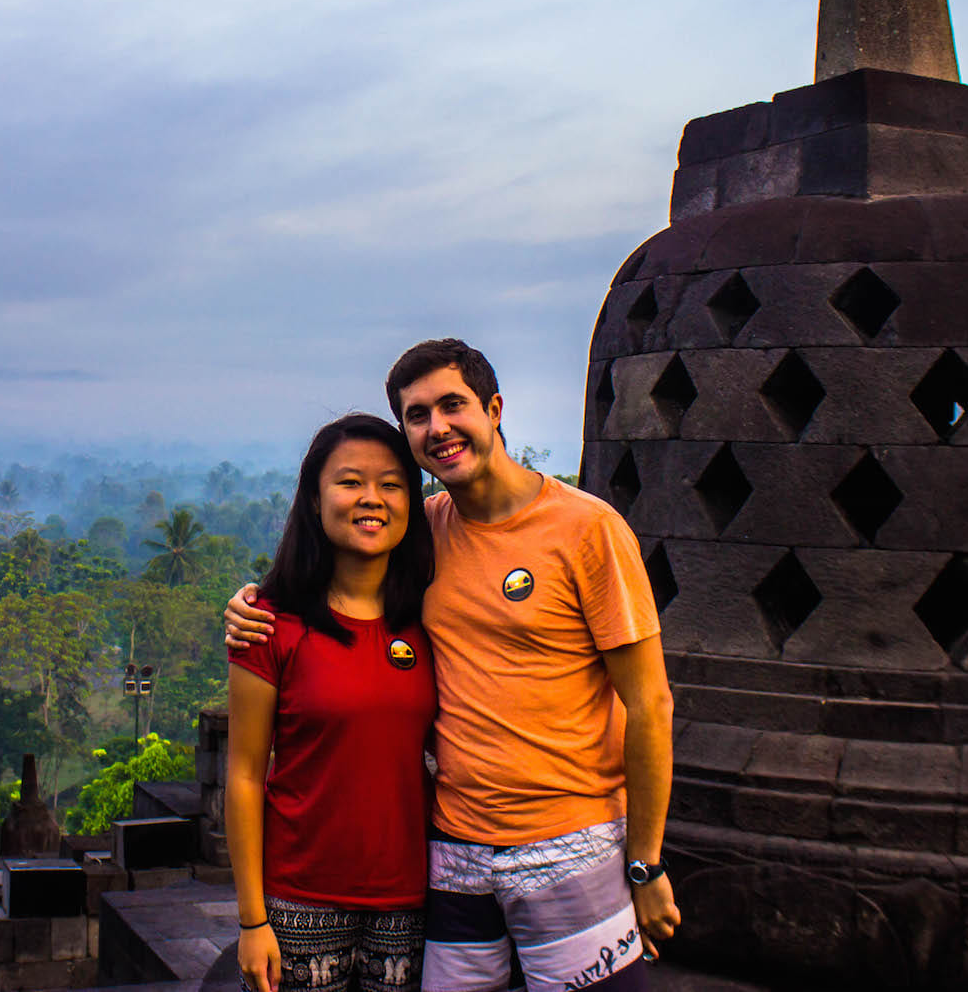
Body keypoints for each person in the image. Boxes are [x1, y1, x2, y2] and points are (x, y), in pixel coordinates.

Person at [228, 339, 678, 992]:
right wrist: (247, 605)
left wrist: (645, 864)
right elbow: (332, 587)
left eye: (451, 406)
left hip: (566, 844)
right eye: (416, 415)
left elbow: (650, 704)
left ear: (493, 409)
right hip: (454, 855)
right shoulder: (423, 532)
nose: (437, 427)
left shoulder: (586, 530)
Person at [227, 413, 438, 992]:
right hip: (299, 901)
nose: (371, 499)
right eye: (349, 482)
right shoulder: (270, 625)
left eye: (391, 484)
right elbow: (245, 776)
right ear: (315, 501)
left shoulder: (432, 619)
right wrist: (252, 919)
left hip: (408, 900)